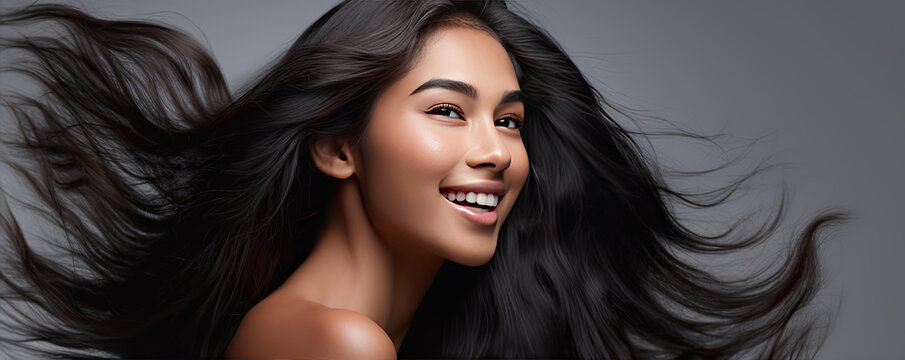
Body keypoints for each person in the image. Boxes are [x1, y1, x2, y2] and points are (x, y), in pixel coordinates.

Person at [0, 1, 847, 359]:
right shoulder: (338, 343)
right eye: (447, 110)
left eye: (508, 120)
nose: (496, 152)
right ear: (338, 148)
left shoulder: (376, 331)